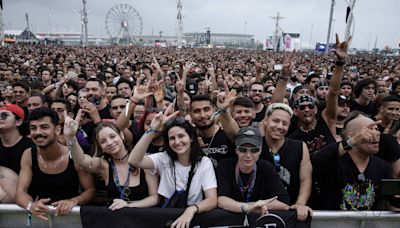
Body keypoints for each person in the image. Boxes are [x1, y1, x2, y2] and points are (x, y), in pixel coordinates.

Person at [129, 110, 217, 228]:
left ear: (191, 138)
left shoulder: (204, 162)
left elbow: (212, 199)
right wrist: (152, 130)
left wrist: (191, 210)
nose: (177, 142)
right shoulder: (164, 158)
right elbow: (134, 161)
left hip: (192, 219)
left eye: (181, 136)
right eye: (172, 138)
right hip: (165, 218)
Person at [63, 110, 159, 211]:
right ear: (100, 147)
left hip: (142, 220)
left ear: (121, 135)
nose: (109, 142)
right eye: (103, 141)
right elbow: (81, 160)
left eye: (112, 136)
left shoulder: (143, 160)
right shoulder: (104, 165)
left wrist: (128, 205)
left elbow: (154, 198)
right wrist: (70, 137)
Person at [15, 108, 95, 220]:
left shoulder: (73, 154)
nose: (38, 132)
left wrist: (74, 201)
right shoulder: (28, 154)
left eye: (44, 127)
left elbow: (91, 190)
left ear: (57, 130)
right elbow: (20, 192)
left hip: (71, 217)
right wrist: (30, 205)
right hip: (42, 217)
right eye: (33, 128)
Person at [312, 111, 400, 210]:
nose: (376, 133)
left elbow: (393, 199)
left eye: (376, 129)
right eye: (369, 130)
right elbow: (316, 160)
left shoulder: (382, 166)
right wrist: (353, 141)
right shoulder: (333, 161)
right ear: (351, 136)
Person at [217, 127, 290, 217]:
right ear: (236, 150)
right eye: (243, 150)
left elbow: (284, 203)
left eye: (254, 150)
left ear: (260, 151)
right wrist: (248, 208)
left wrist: (259, 206)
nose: (248, 155)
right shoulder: (225, 166)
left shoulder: (267, 168)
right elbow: (221, 200)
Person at [260, 103, 313, 221]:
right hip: (260, 211)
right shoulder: (255, 145)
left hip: (291, 214)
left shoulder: (299, 147)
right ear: (266, 121)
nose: (279, 126)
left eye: (285, 124)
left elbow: (306, 179)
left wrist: (300, 203)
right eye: (275, 121)